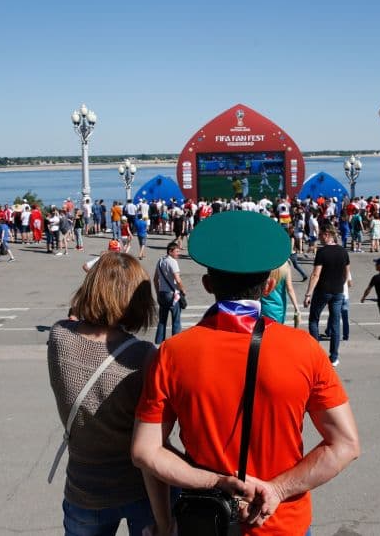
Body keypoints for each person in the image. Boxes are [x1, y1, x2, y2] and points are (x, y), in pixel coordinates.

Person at [131, 210, 360, 534]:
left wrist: (215, 482)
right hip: (283, 523)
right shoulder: (304, 349)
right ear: (269, 286)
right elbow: (345, 444)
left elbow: (145, 451)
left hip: (207, 521)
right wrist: (277, 490)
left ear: (208, 285)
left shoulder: (171, 353)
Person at [47, 252, 170, 536]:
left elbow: (76, 313)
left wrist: (98, 280)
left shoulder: (59, 336)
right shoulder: (143, 356)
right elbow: (150, 442)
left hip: (84, 486)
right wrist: (164, 522)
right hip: (137, 487)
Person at [305, 223, 350, 366]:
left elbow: (315, 275)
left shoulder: (322, 252)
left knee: (313, 320)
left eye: (320, 235)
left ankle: (316, 353)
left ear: (326, 234)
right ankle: (334, 357)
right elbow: (346, 273)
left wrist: (308, 294)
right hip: (338, 292)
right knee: (336, 324)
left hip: (322, 291)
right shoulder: (343, 251)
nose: (319, 238)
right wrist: (340, 283)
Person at [153, 242, 186, 344]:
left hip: (162, 293)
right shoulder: (173, 262)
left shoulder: (160, 261)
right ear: (170, 251)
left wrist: (158, 294)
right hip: (173, 295)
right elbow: (178, 279)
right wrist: (183, 290)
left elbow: (155, 279)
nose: (178, 253)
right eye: (176, 251)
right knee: (176, 321)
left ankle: (159, 343)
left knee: (162, 321)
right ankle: (175, 343)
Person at [260, 260, 301, 327]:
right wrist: (296, 308)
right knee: (277, 329)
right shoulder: (285, 265)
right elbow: (290, 289)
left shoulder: (264, 262)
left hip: (264, 303)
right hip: (279, 305)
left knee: (263, 329)